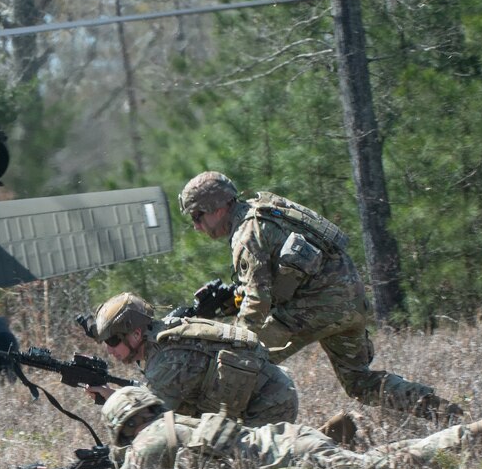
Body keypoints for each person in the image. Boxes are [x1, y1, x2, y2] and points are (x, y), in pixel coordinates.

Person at [178, 171, 461, 422]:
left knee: (239, 364)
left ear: (215, 208)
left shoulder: (246, 234)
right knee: (359, 382)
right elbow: (280, 275)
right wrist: (230, 300)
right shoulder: (267, 210)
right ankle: (443, 412)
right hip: (349, 301)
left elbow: (257, 303)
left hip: (313, 310)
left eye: (196, 216)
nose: (196, 226)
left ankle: (252, 442)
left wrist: (234, 342)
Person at [34, 386, 482, 469]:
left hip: (293, 461)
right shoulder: (175, 423)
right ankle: (337, 438)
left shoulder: (144, 448)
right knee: (365, 463)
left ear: (121, 428)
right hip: (288, 440)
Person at [87, 292, 299, 427]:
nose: (109, 349)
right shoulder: (165, 330)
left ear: (135, 334)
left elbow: (154, 424)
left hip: (270, 407)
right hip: (270, 393)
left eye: (113, 340)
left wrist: (114, 400)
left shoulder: (165, 361)